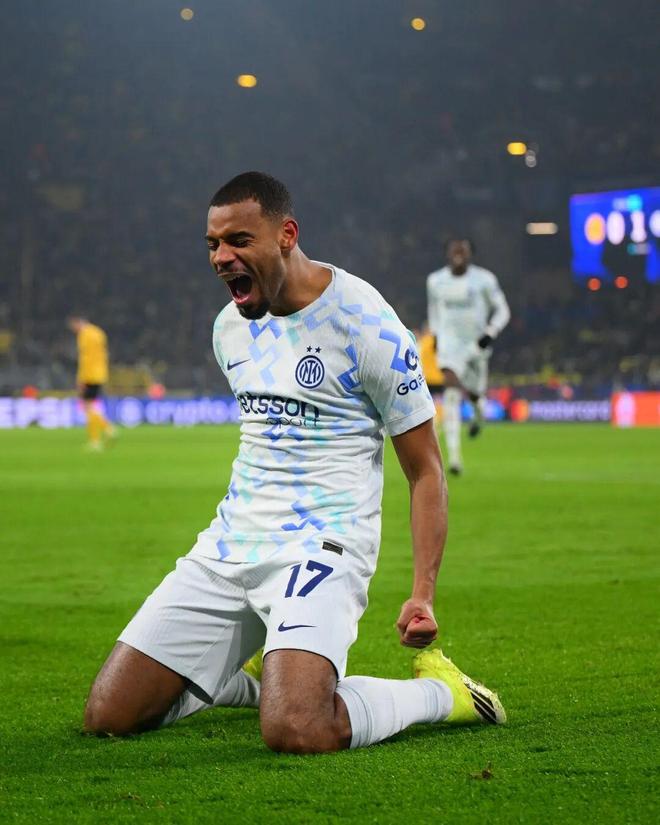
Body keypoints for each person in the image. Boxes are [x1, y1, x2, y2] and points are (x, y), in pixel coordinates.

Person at [83, 172, 505, 753]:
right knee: (108, 715)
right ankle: (263, 677)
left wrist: (422, 593)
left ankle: (440, 694)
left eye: (239, 241)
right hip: (231, 544)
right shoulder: (229, 329)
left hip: (322, 545)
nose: (222, 257)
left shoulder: (368, 325)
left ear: (286, 235)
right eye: (213, 244)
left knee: (298, 727)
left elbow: (426, 470)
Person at [426, 238, 510, 475]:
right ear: (447, 253)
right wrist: (436, 336)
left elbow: (503, 310)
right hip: (450, 346)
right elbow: (434, 310)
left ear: (470, 254)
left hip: (476, 346)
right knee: (451, 391)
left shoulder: (485, 280)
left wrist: (490, 333)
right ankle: (454, 458)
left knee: (475, 394)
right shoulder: (435, 281)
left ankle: (478, 415)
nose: (458, 254)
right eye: (454, 250)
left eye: (463, 250)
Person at [66, 315, 115, 451]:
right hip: (101, 374)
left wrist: (81, 379)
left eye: (74, 326)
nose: (74, 330)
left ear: (78, 323)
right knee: (90, 406)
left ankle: (105, 429)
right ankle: (97, 438)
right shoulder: (98, 332)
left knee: (87, 407)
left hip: (89, 375)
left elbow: (86, 358)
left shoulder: (84, 335)